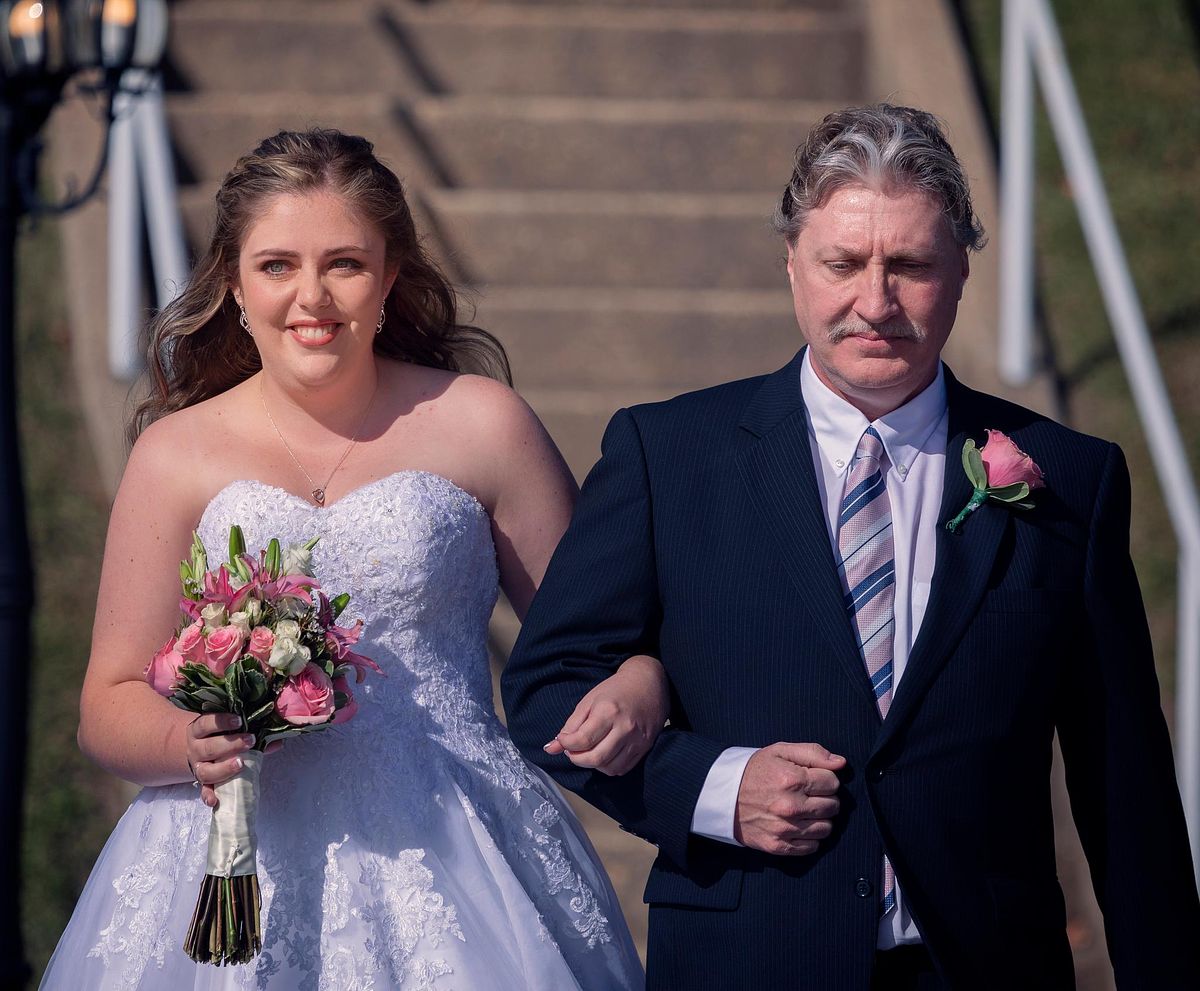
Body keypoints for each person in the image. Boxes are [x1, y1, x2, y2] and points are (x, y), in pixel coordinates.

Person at [502, 104, 1200, 990]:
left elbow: (1123, 779)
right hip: (746, 965)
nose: (875, 303)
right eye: (843, 264)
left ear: (962, 269)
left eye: (910, 265)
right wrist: (716, 787)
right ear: (792, 263)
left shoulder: (1072, 478)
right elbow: (544, 691)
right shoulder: (668, 454)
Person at [40, 128, 664, 990]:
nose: (312, 296)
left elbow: (603, 635)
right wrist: (190, 739)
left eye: (344, 263)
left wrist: (643, 678)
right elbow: (106, 701)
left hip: (452, 842)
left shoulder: (484, 424)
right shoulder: (173, 455)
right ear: (232, 282)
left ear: (390, 275)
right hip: (232, 850)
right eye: (276, 265)